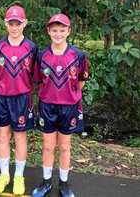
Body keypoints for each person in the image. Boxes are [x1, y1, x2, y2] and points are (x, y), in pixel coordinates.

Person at [32, 13, 89, 197]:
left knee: (65, 146)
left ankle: (64, 184)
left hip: (69, 106)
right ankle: (46, 182)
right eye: (54, 30)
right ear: (49, 31)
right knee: (48, 146)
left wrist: (69, 95)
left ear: (68, 31)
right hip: (47, 106)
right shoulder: (41, 55)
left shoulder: (78, 55)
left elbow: (80, 82)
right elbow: (39, 81)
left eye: (62, 30)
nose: (58, 34)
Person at [0, 5, 37, 195]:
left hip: (22, 98)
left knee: (20, 137)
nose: (14, 27)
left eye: (18, 23)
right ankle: (4, 174)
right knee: (3, 135)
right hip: (2, 97)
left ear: (24, 23)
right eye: (11, 23)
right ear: (6, 24)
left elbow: (35, 77)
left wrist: (20, 89)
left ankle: (18, 176)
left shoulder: (32, 48)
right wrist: (3, 88)